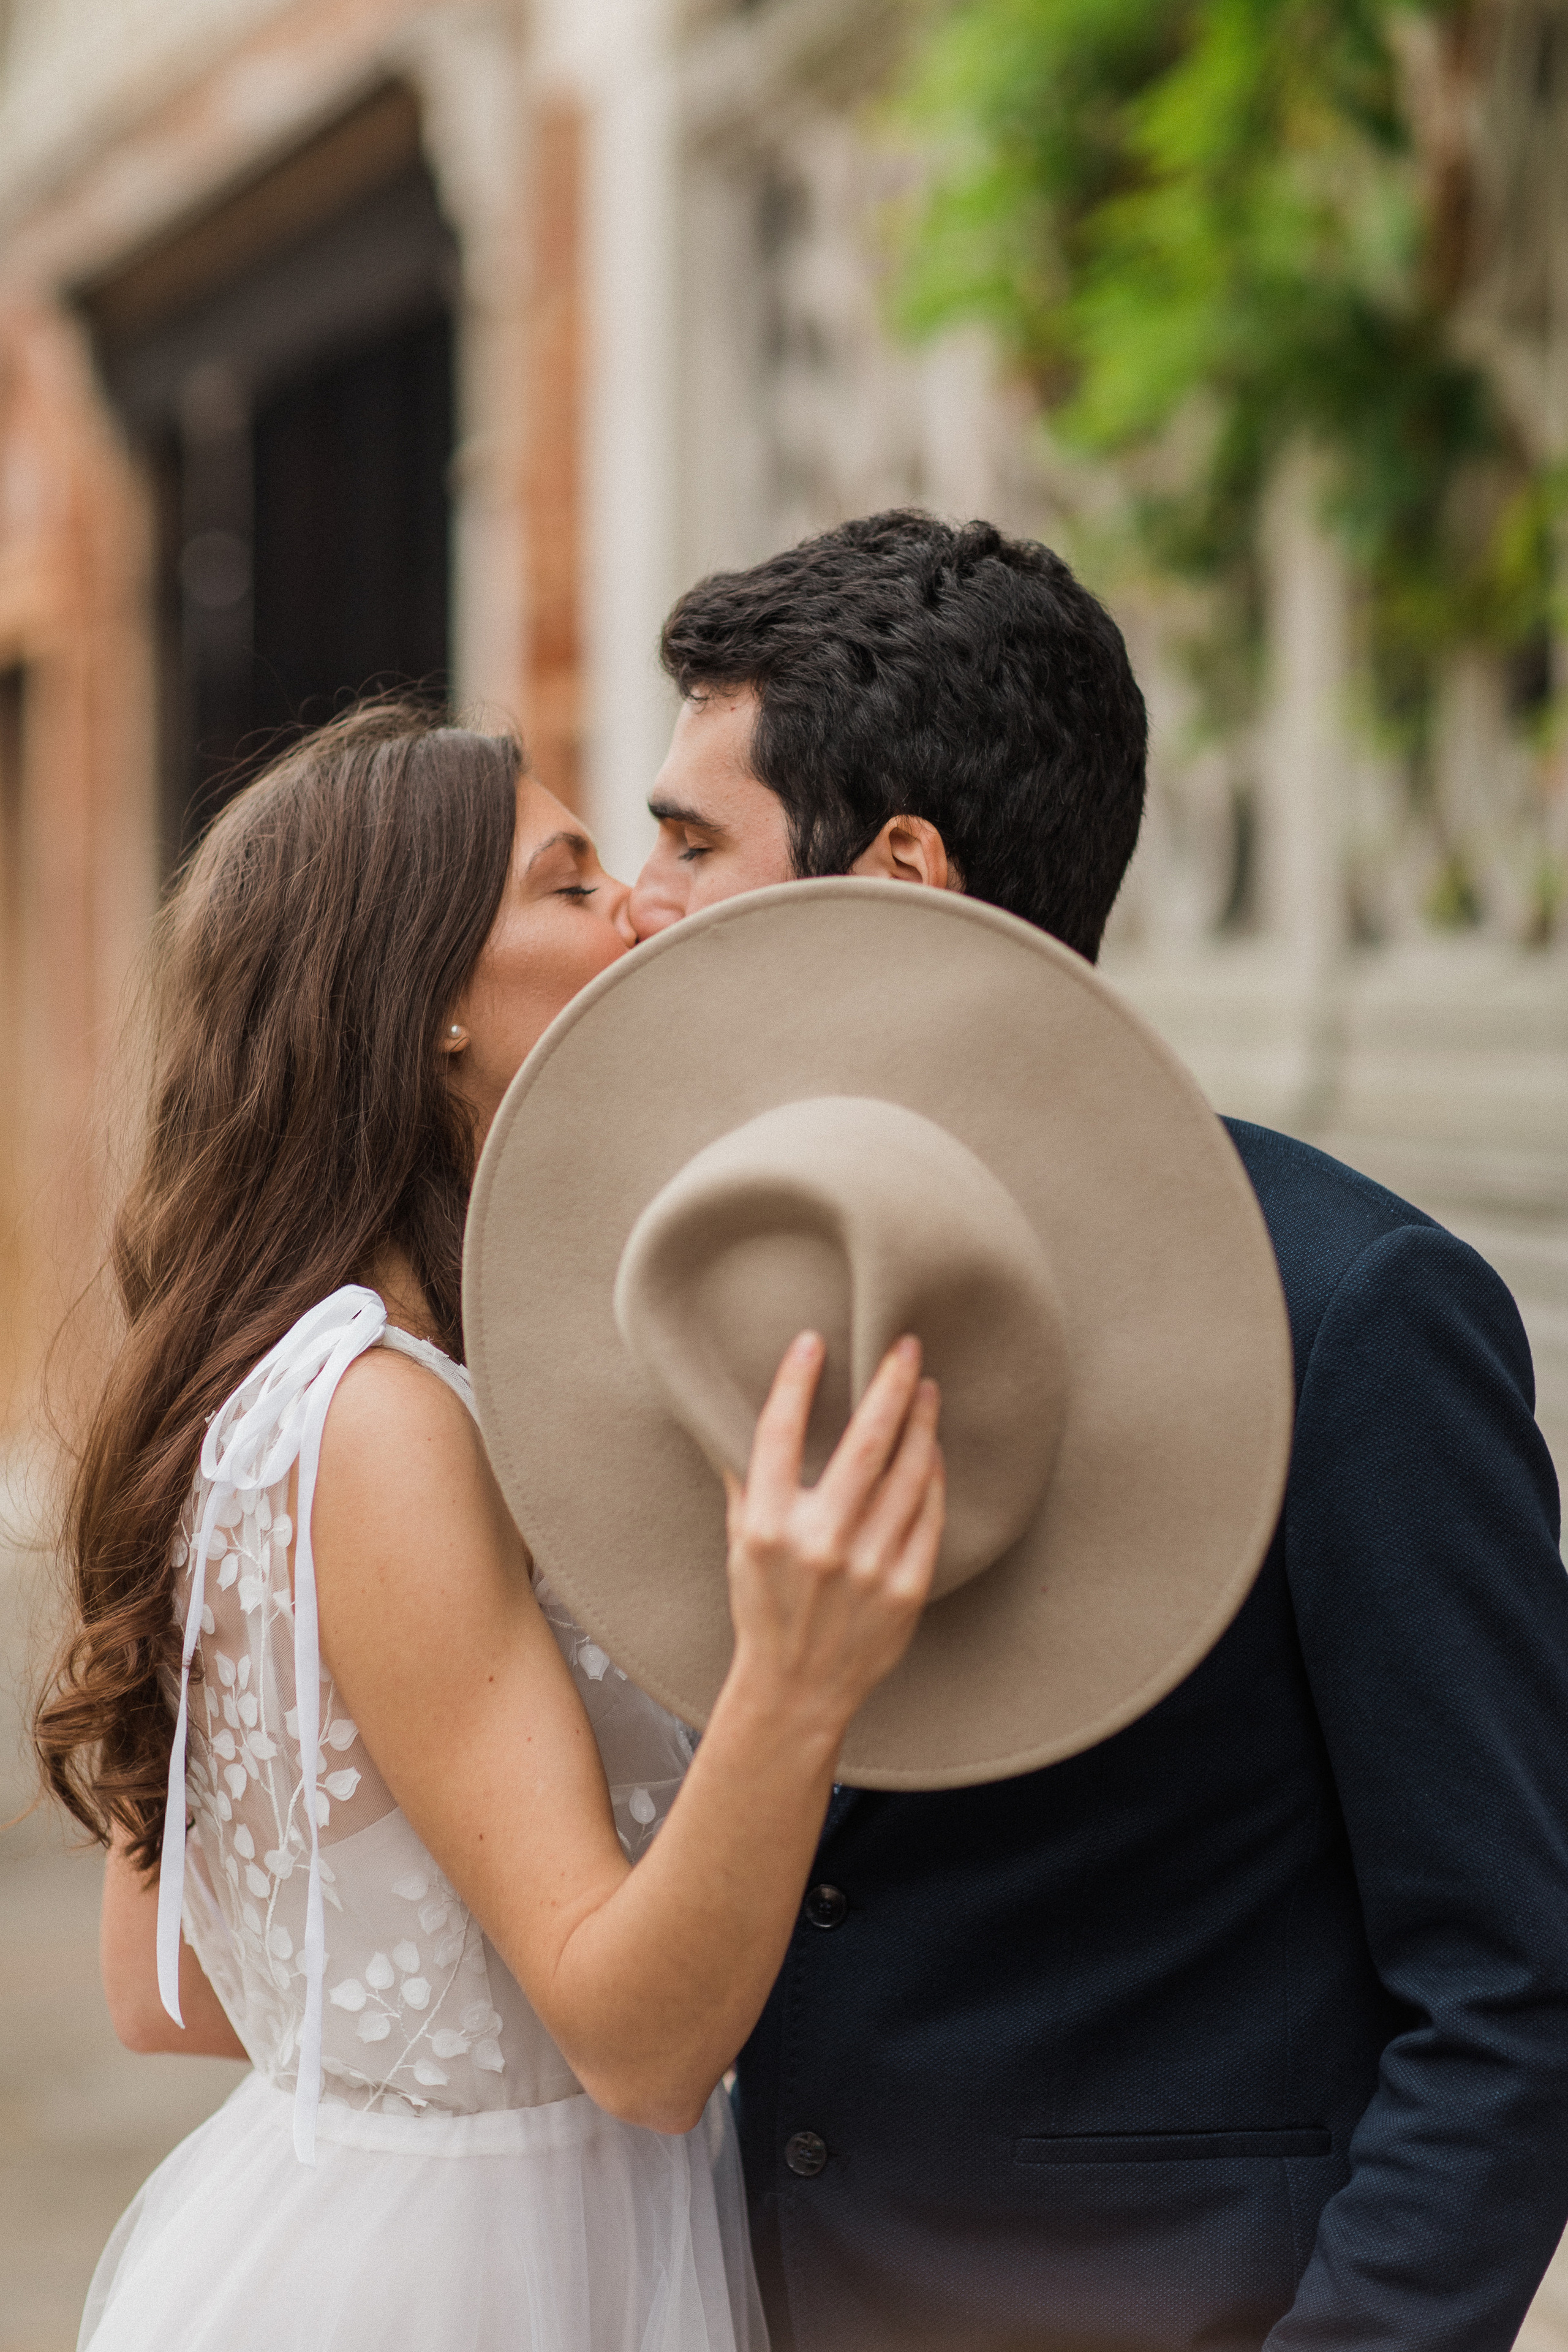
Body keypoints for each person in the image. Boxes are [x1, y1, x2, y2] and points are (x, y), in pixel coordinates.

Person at [625, 511, 1568, 2351]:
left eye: (686, 840)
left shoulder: (1359, 1311)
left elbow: (1522, 1981)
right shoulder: (710, 1277)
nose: (647, 903)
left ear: (895, 872)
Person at [32, 703, 948, 2352]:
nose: (636, 912)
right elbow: (642, 2050)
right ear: (433, 999)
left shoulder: (295, 1378)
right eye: (570, 880)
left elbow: (163, 1984)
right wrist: (794, 1682)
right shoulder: (384, 1422)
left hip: (354, 2236)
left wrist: (415, 2025)